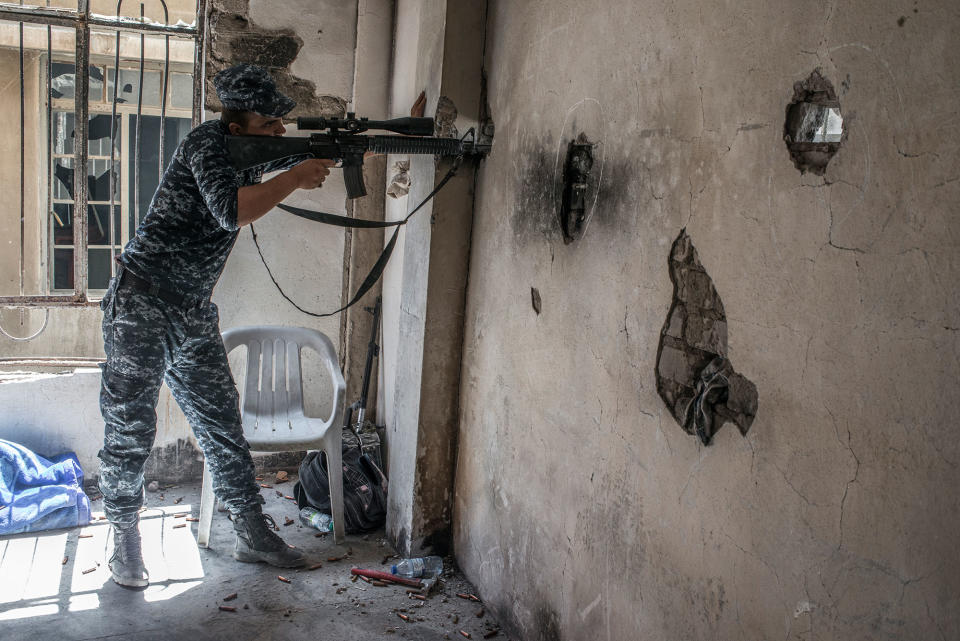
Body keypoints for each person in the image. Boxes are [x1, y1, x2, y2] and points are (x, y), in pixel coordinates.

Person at [98, 63, 333, 587]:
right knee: (130, 431)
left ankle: (253, 534)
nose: (279, 132)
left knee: (224, 428)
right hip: (141, 304)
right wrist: (295, 177)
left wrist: (361, 142)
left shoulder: (251, 148)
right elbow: (231, 211)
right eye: (270, 123)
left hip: (192, 310)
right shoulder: (208, 145)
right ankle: (126, 542)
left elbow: (297, 150)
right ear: (237, 127)